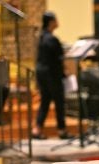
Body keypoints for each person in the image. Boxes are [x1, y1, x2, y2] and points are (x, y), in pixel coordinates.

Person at [32, 11, 72, 140]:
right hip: (52, 74)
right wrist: (64, 72)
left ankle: (37, 129)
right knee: (59, 102)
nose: (57, 21)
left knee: (45, 101)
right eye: (55, 19)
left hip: (41, 73)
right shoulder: (52, 39)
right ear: (51, 22)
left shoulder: (42, 37)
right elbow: (58, 58)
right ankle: (62, 130)